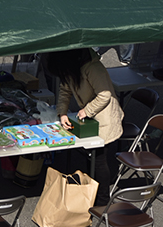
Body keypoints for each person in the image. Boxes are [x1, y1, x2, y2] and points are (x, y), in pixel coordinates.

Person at [48, 48, 123, 207]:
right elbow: (65, 90)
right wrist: (62, 113)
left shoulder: (93, 68)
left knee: (99, 159)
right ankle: (92, 193)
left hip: (105, 118)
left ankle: (103, 201)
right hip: (91, 118)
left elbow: (105, 95)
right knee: (92, 157)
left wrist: (87, 110)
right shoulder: (71, 68)